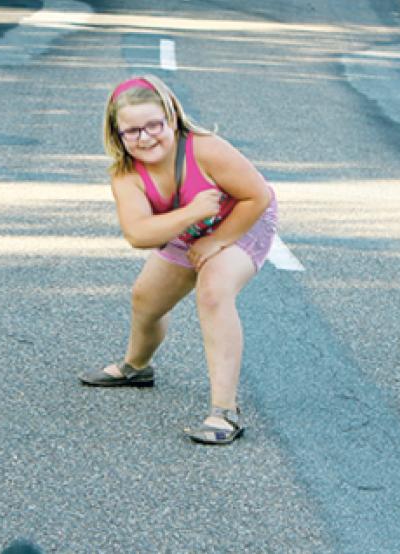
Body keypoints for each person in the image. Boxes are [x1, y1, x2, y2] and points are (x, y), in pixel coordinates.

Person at [79, 75, 278, 445]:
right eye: (132, 131)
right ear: (117, 134)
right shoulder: (126, 175)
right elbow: (139, 234)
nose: (145, 137)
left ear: (171, 118)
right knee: (145, 301)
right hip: (186, 228)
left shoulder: (205, 149)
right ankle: (135, 367)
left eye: (154, 125)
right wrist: (192, 215)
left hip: (242, 220)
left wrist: (218, 240)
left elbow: (257, 196)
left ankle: (224, 412)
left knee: (213, 291)